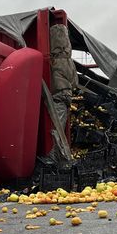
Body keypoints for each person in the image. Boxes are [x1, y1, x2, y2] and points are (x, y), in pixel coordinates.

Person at [45, 24, 78, 163]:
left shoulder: (54, 62)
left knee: (57, 129)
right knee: (60, 127)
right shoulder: (69, 62)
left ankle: (57, 158)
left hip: (58, 97)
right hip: (66, 97)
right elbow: (75, 83)